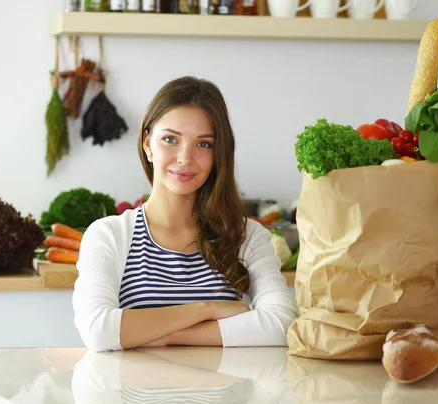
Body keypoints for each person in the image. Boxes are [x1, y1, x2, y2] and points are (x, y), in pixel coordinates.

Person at [72, 76, 299, 351]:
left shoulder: (246, 236)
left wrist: (164, 336)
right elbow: (98, 331)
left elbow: (283, 323)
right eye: (170, 139)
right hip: (130, 393)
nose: (185, 158)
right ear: (147, 144)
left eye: (203, 144)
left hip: (231, 395)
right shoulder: (108, 235)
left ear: (219, 154)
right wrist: (206, 309)